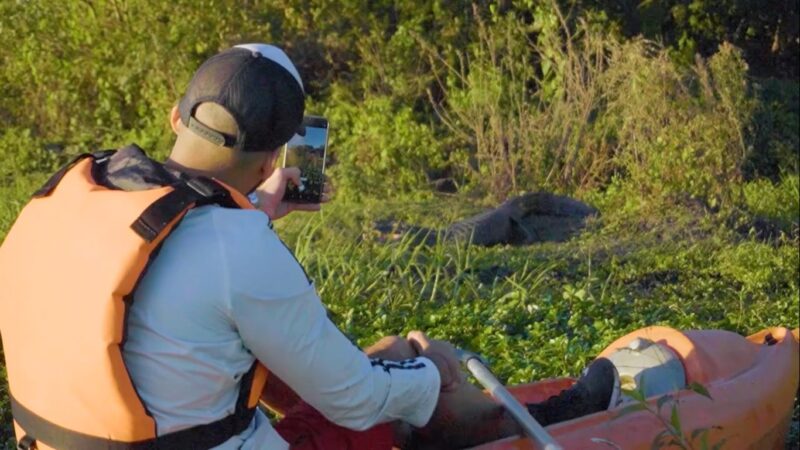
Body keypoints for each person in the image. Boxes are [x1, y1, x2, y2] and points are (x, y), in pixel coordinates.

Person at [0, 43, 619, 450]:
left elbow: (166, 267)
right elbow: (354, 400)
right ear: (275, 156)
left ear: (174, 118)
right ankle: (539, 417)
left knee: (382, 359)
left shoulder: (73, 191)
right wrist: (431, 372)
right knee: (390, 396)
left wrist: (260, 209)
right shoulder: (236, 248)